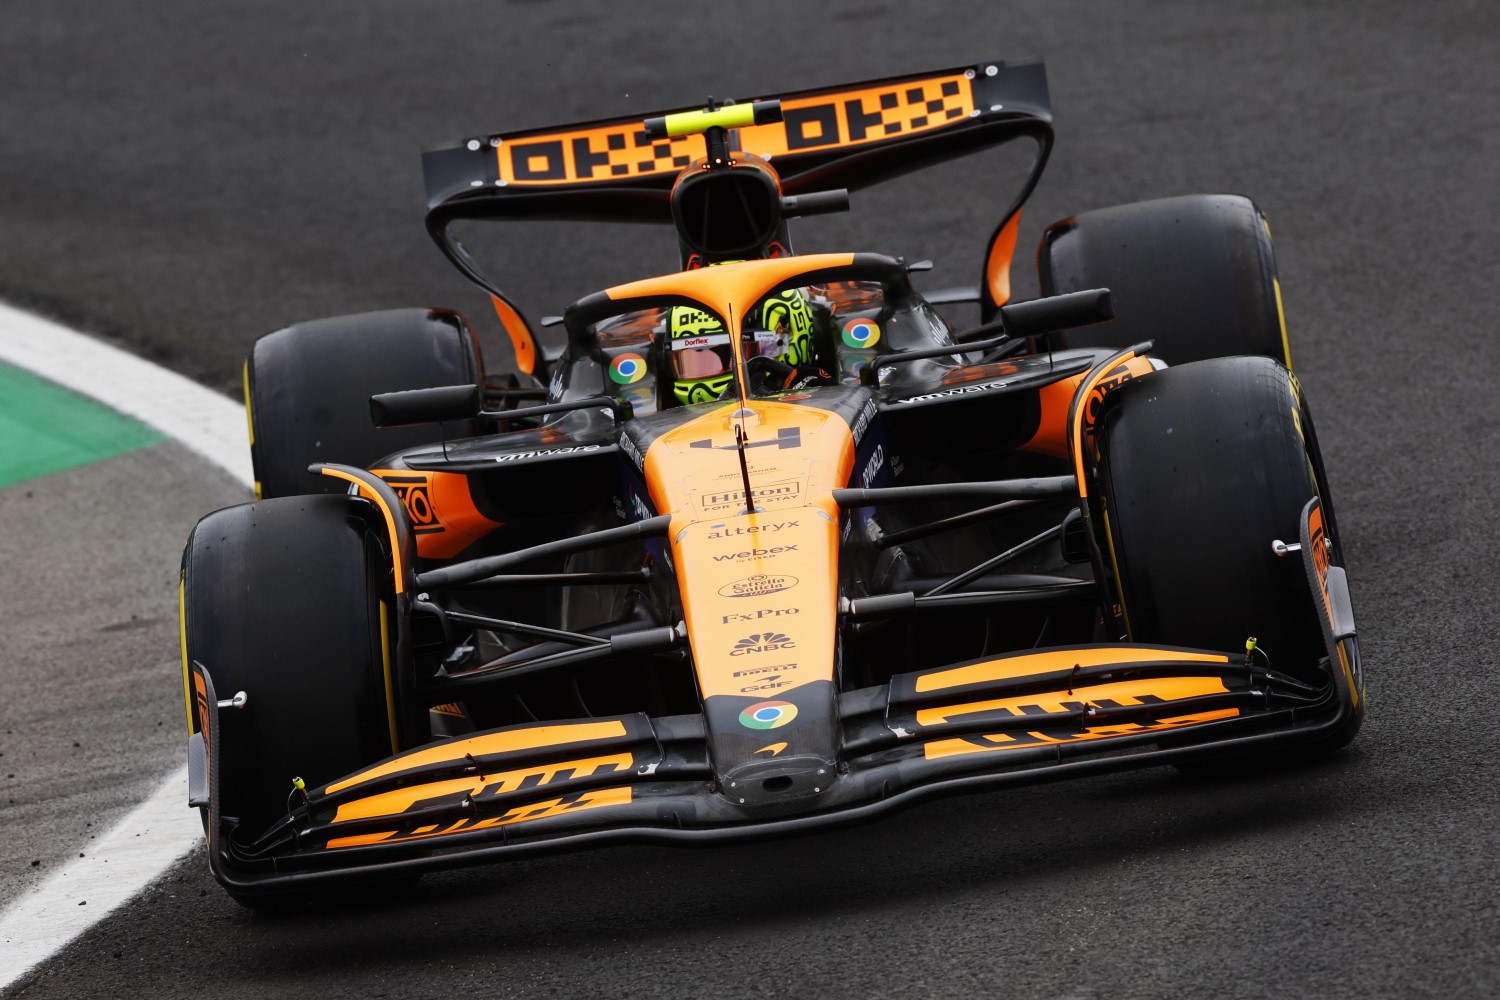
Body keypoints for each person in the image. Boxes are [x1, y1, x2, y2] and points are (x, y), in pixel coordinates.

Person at [663, 288, 832, 406]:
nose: (709, 373)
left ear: (787, 338)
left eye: (741, 355)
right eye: (694, 361)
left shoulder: (819, 386)